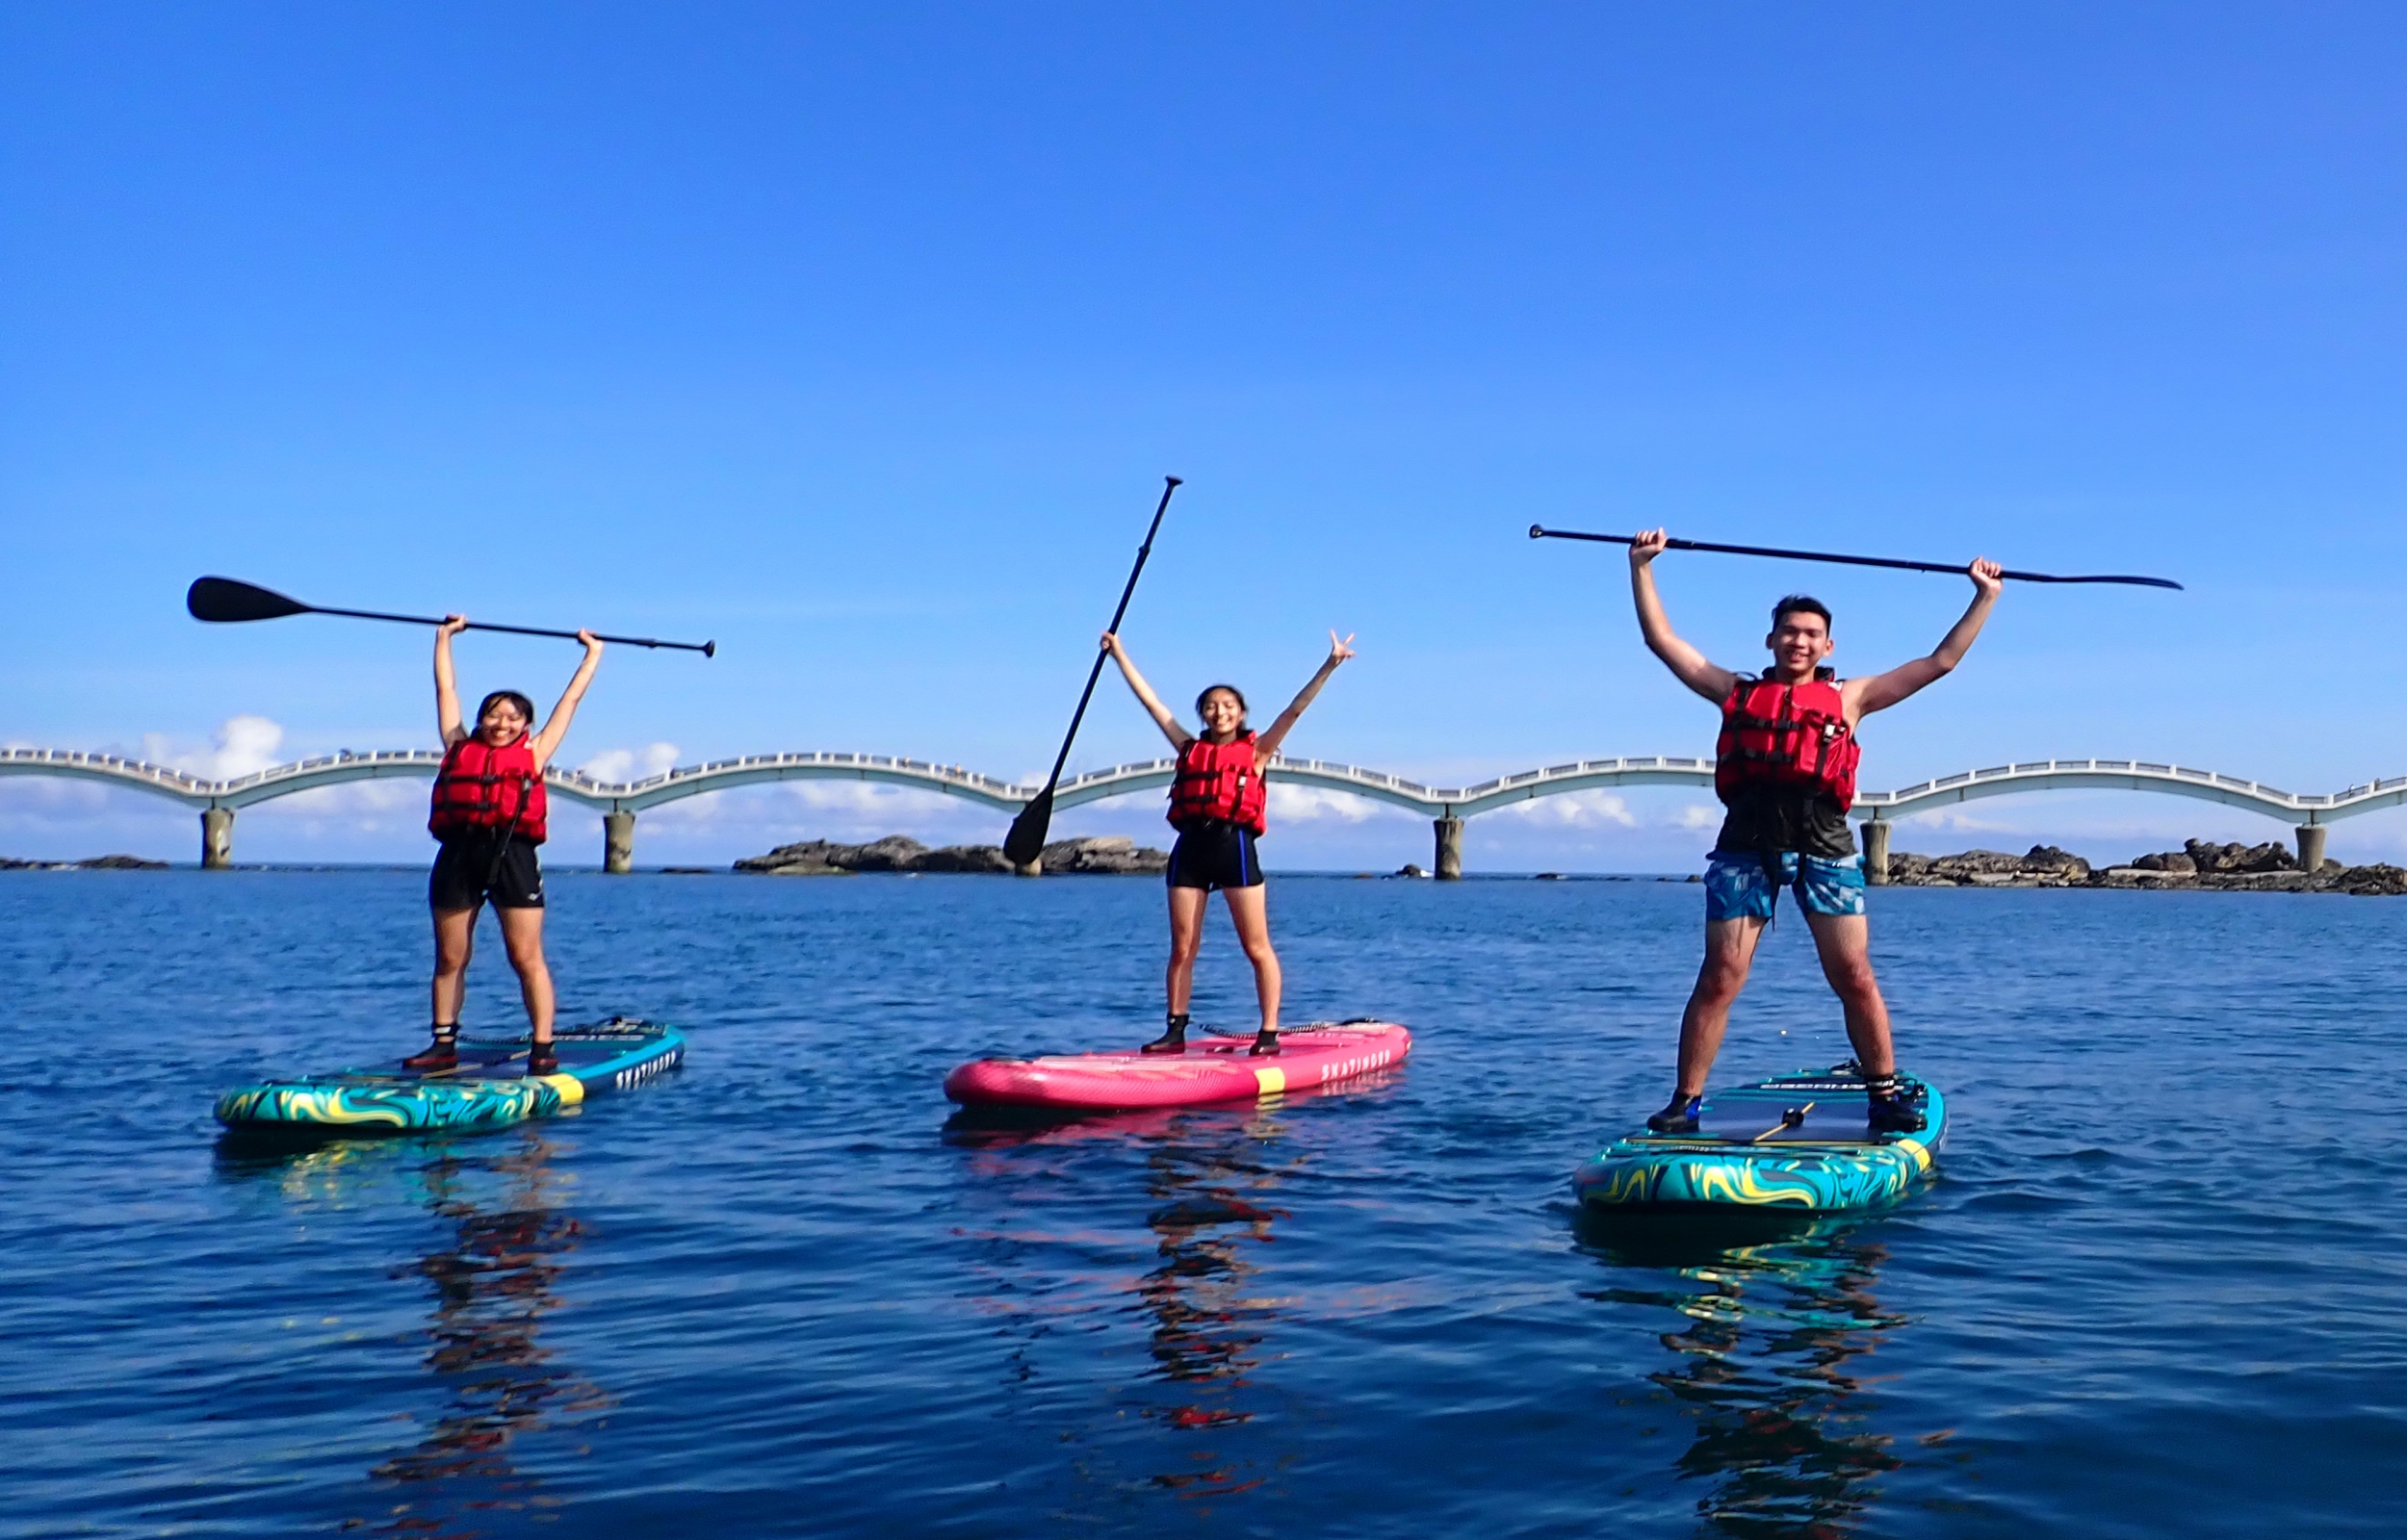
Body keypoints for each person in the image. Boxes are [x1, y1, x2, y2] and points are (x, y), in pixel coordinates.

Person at [1626, 529, 2005, 1134]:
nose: (1799, 642)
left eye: (1810, 635)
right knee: (1719, 976)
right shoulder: (1736, 692)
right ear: (1771, 640)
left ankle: (1882, 1095)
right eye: (1789, 632)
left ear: (1826, 645)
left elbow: (1942, 662)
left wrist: (1983, 596)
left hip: (1825, 846)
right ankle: (1685, 1102)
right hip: (1745, 846)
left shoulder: (1849, 698)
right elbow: (1662, 641)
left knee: (1853, 975)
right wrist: (1642, 567)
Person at [1100, 629, 1357, 1057]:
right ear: (1203, 714)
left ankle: (1269, 1033)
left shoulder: (1257, 753)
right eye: (1211, 707)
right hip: (1190, 850)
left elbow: (1295, 711)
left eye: (1228, 706)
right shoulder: (1187, 748)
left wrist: (1329, 665)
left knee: (1256, 946)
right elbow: (1152, 704)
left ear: (1240, 714)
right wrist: (1119, 654)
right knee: (1182, 947)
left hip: (1233, 848)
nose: (1219, 712)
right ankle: (1175, 1030)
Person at [403, 617, 604, 1076]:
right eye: (494, 714)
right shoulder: (457, 746)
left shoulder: (534, 753)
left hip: (513, 856)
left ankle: (542, 1046)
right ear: (481, 720)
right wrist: (443, 638)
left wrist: (591, 656)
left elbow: (570, 701)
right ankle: (443, 1045)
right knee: (451, 957)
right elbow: (445, 689)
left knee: (524, 956)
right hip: (458, 856)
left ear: (526, 725)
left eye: (512, 716)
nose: (501, 722)